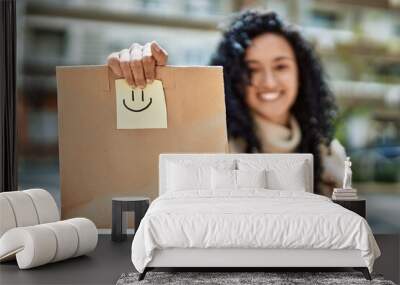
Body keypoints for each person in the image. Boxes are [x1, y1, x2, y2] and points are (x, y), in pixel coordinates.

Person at [107, 9, 346, 196]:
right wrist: (140, 77)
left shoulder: (330, 155)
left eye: (281, 66)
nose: (269, 81)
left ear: (301, 73)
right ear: (233, 79)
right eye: (251, 69)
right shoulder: (211, 146)